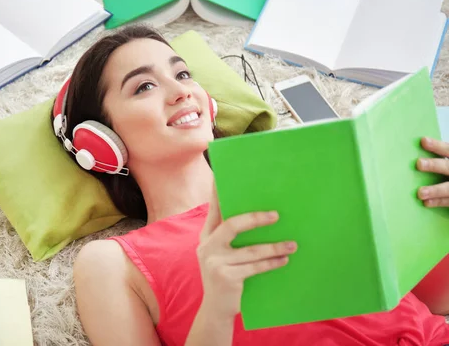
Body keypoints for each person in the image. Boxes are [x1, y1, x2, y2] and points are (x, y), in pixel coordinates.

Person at [53, 25, 449, 345]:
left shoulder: (309, 176)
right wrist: (217, 308)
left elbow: (434, 300)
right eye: (144, 86)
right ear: (101, 142)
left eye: (183, 74)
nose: (181, 92)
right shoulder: (109, 263)